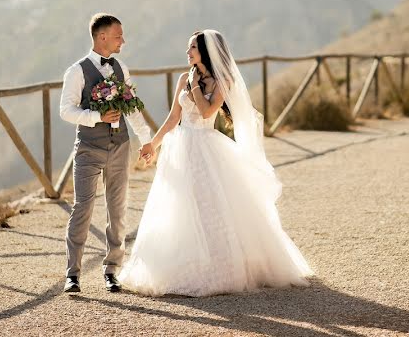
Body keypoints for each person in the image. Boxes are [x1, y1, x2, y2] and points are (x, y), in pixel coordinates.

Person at [119, 29, 313, 297]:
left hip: (205, 147)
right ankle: (181, 263)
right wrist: (154, 143)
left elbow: (207, 111)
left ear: (205, 53)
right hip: (180, 146)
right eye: (188, 49)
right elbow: (174, 116)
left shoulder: (223, 80)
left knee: (210, 206)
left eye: (192, 49)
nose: (187, 53)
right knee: (179, 206)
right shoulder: (182, 79)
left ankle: (219, 267)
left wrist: (196, 85)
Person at [59, 13, 155, 294]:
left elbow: (133, 108)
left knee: (118, 209)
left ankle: (112, 269)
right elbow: (66, 110)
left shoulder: (121, 68)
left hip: (120, 146)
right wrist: (96, 116)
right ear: (102, 37)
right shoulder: (76, 71)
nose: (123, 40)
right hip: (88, 148)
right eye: (118, 36)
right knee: (83, 209)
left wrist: (146, 139)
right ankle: (72, 274)